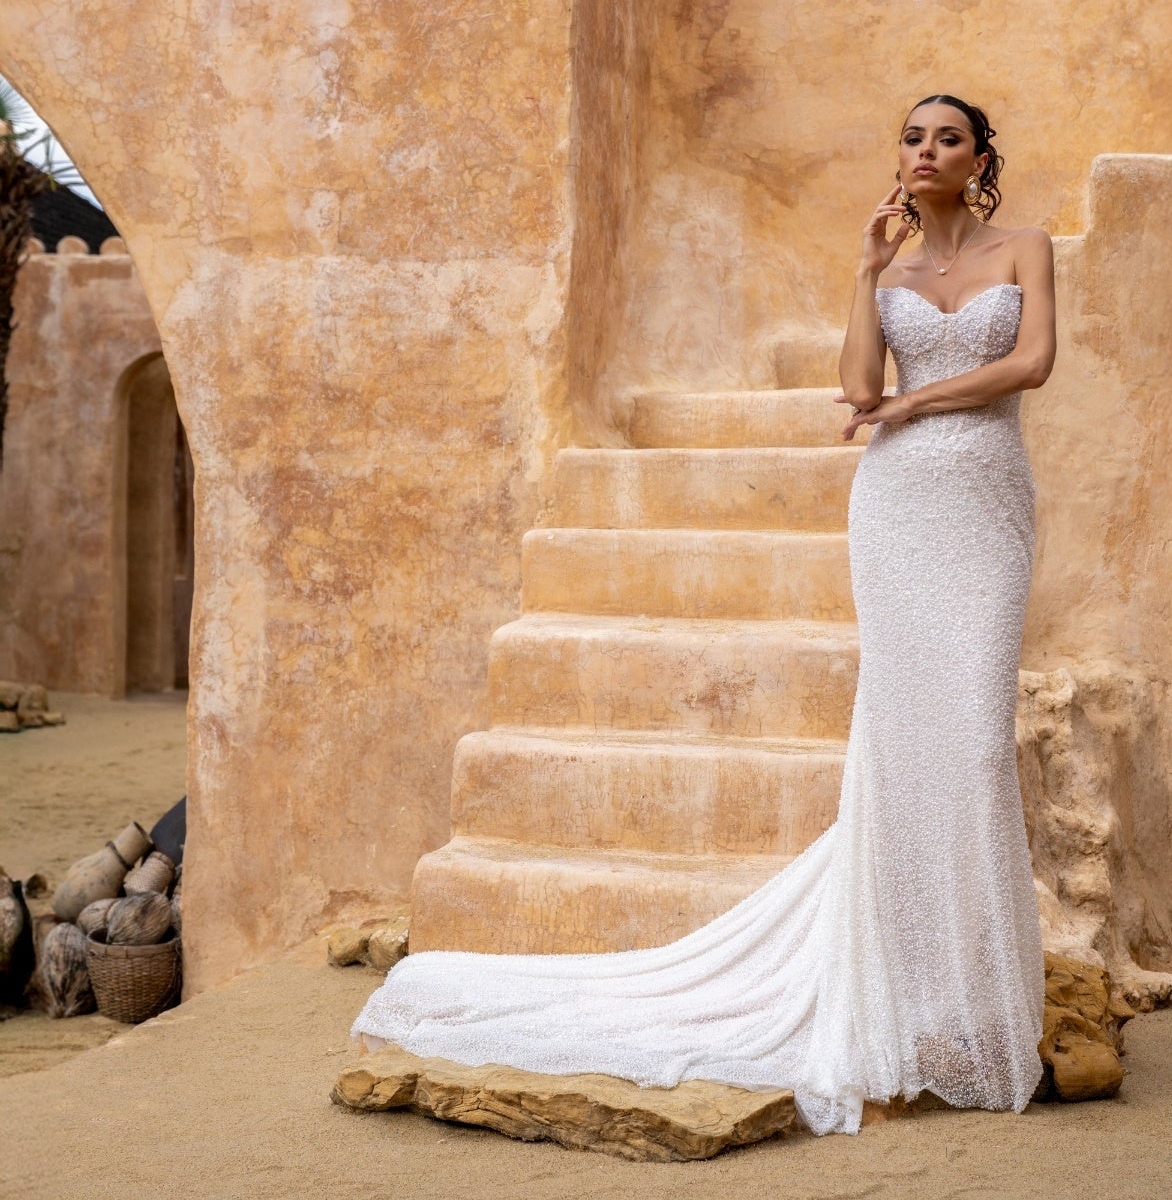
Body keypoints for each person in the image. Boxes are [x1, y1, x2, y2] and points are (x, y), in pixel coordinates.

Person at [352, 94, 1057, 1137]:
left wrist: (913, 405)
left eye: (946, 138)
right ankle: (922, 1006)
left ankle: (982, 1009)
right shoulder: (895, 269)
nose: (924, 152)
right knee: (906, 745)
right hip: (899, 509)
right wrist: (864, 273)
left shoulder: (1026, 247)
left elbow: (1029, 364)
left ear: (980, 157)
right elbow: (858, 382)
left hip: (986, 499)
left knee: (974, 745)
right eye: (910, 136)